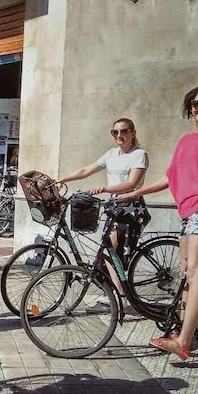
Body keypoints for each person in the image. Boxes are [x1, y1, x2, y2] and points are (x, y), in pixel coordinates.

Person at [120, 84, 198, 360]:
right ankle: (181, 332)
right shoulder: (185, 141)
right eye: (196, 104)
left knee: (196, 274)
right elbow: (170, 177)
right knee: (185, 274)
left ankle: (184, 341)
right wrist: (135, 192)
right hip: (189, 212)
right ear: (189, 108)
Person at [59, 118, 148, 304]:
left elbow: (132, 183)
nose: (119, 136)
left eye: (124, 131)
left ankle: (119, 292)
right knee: (108, 250)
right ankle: (119, 290)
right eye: (115, 132)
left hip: (130, 207)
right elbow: (85, 171)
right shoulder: (111, 154)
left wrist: (107, 189)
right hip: (115, 207)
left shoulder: (139, 154)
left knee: (113, 249)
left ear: (133, 133)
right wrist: (62, 179)